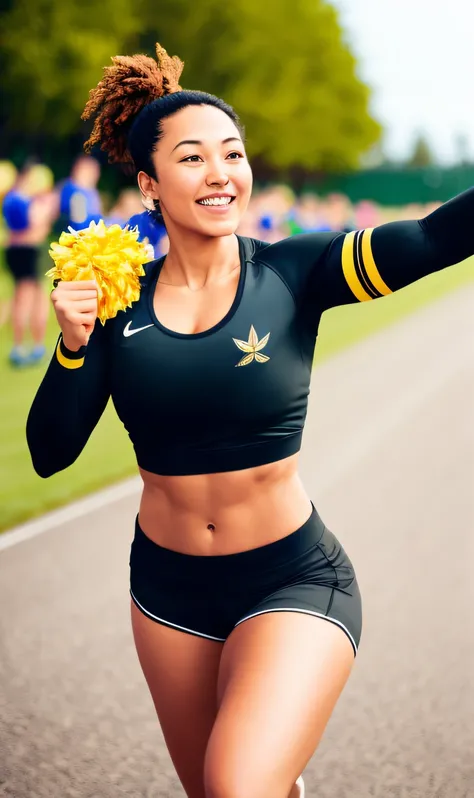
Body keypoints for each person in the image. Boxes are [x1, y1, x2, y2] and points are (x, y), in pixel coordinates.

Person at [26, 43, 473, 798]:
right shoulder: (111, 303)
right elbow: (49, 453)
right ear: (149, 185)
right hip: (167, 596)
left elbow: (430, 239)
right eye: (193, 158)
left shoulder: (295, 273)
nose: (220, 173)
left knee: (237, 784)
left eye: (231, 154)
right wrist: (70, 348)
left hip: (292, 577)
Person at [2, 162, 56, 366]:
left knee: (21, 297)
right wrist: (46, 207)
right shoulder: (27, 200)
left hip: (14, 251)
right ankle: (34, 347)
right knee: (33, 299)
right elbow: (35, 225)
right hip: (30, 251)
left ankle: (20, 347)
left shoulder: (10, 199)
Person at [55, 154, 102, 233]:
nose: (96, 175)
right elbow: (79, 225)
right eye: (92, 171)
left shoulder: (91, 192)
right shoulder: (74, 193)